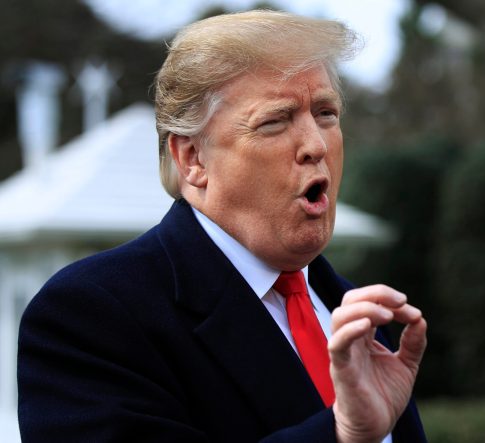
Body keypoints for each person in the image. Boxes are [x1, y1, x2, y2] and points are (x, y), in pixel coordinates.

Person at [17, 10, 427, 443]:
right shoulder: (92, 315)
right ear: (193, 158)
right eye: (275, 121)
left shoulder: (360, 318)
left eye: (326, 113)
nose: (316, 144)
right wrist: (342, 432)